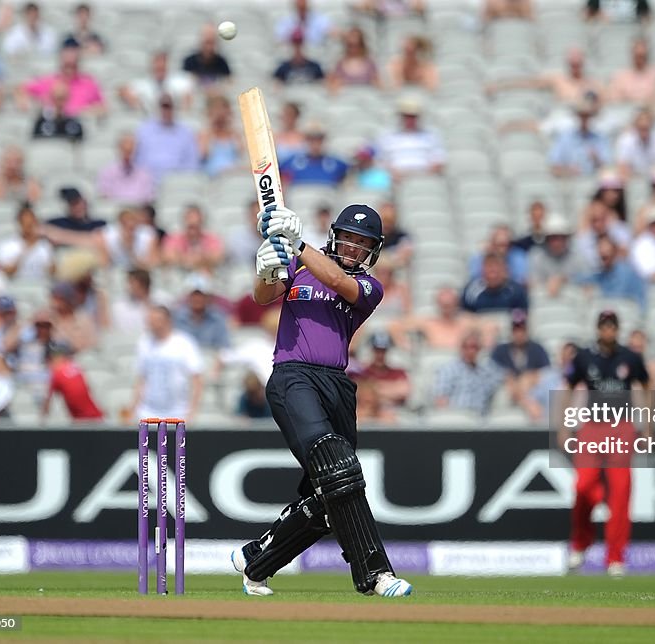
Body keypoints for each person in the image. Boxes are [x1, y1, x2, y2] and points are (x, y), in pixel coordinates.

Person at [232, 200, 413, 598]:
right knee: (339, 469)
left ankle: (255, 562)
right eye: (346, 238)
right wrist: (265, 270)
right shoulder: (299, 265)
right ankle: (376, 575)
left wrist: (297, 245)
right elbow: (263, 295)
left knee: (330, 493)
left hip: (337, 385)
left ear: (373, 250)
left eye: (360, 242)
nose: (351, 247)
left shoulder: (370, 287)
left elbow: (338, 282)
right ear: (334, 236)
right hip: (293, 377)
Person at [560, 310, 649, 577]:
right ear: (598, 329)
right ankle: (581, 542)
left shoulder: (630, 357)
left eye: (612, 326)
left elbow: (647, 385)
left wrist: (647, 427)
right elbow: (568, 386)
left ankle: (615, 558)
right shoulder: (584, 357)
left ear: (617, 329)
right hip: (592, 427)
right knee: (583, 485)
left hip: (621, 427)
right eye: (604, 326)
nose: (608, 331)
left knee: (621, 493)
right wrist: (565, 425)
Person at [130, 304, 203, 422]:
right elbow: (141, 379)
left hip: (178, 413)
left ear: (167, 321)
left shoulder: (184, 343)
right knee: (145, 440)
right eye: (150, 320)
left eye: (156, 320)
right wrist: (133, 408)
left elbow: (197, 380)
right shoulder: (144, 343)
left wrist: (192, 412)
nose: (152, 324)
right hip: (148, 412)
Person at [490, 310, 550, 420]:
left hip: (532, 389)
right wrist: (516, 386)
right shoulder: (500, 350)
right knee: (502, 395)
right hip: (509, 390)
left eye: (522, 329)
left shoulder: (537, 349)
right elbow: (493, 372)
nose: (519, 333)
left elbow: (546, 373)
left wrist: (530, 377)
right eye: (516, 329)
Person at [431, 330, 503, 414]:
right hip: (456, 418)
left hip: (480, 419)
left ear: (479, 349)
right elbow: (441, 399)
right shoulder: (449, 370)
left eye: (474, 347)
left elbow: (504, 377)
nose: (470, 351)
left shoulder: (486, 372)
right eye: (466, 347)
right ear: (461, 348)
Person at [42, 339, 103, 421]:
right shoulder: (76, 367)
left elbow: (47, 404)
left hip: (84, 421)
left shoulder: (57, 375)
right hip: (94, 418)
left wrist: (41, 420)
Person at [118, 50, 195, 114]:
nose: (160, 67)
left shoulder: (178, 82)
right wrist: (135, 103)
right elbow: (123, 89)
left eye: (162, 66)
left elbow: (190, 88)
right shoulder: (145, 84)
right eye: (157, 65)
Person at [0, 203, 55, 279]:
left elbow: (52, 272)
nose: (29, 228)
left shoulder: (44, 245)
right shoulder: (7, 245)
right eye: (26, 224)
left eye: (32, 224)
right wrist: (26, 249)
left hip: (39, 285)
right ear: (20, 223)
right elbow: (6, 272)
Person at [281, 122, 349, 187]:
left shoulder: (337, 165)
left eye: (319, 139)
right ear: (305, 139)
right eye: (311, 139)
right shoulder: (291, 163)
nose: (315, 143)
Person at [96, 132, 156, 204]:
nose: (127, 155)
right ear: (119, 149)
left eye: (130, 151)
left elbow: (148, 200)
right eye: (125, 150)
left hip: (138, 213)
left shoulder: (145, 174)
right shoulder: (107, 173)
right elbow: (105, 199)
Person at [460, 254, 528, 313]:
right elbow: (464, 318)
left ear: (504, 270)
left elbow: (521, 320)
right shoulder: (471, 291)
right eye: (490, 271)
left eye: (496, 271)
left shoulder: (516, 291)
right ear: (482, 271)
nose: (493, 276)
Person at [327, 26, 380, 92]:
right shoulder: (339, 64)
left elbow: (378, 85)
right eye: (350, 45)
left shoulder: (370, 64)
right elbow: (332, 87)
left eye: (357, 44)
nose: (353, 48)